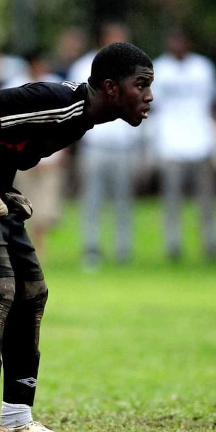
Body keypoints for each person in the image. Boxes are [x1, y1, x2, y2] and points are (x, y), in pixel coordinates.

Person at [0, 42, 154, 432]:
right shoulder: (56, 101)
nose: (149, 96)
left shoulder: (80, 119)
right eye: (141, 84)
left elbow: (2, 141)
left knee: (32, 292)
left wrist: (4, 188)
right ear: (111, 87)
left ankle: (18, 418)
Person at [67, 22, 142, 269]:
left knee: (124, 201)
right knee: (92, 201)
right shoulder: (84, 66)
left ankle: (123, 249)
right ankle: (91, 249)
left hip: (123, 145)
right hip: (95, 144)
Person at [152, 27, 216, 262]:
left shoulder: (202, 67)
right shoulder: (159, 68)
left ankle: (211, 243)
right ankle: (173, 245)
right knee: (172, 201)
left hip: (201, 142)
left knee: (207, 201)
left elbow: (213, 102)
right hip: (171, 144)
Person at [3, 49, 67, 260]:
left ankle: (40, 248)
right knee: (22, 205)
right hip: (21, 157)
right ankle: (25, 247)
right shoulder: (14, 87)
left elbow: (66, 122)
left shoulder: (56, 85)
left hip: (49, 157)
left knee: (46, 208)